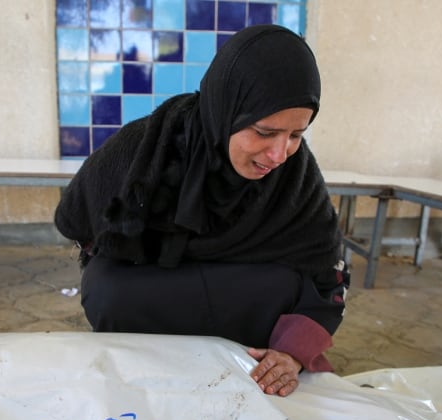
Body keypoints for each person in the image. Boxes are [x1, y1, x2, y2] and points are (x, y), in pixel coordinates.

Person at [55, 24, 349, 397]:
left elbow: (328, 274)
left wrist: (292, 354)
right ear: (226, 108)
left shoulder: (296, 175)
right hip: (161, 290)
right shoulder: (147, 150)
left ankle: (250, 355)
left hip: (247, 316)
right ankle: (149, 357)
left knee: (293, 284)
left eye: (295, 136)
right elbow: (79, 220)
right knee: (106, 285)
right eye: (263, 131)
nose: (278, 155)